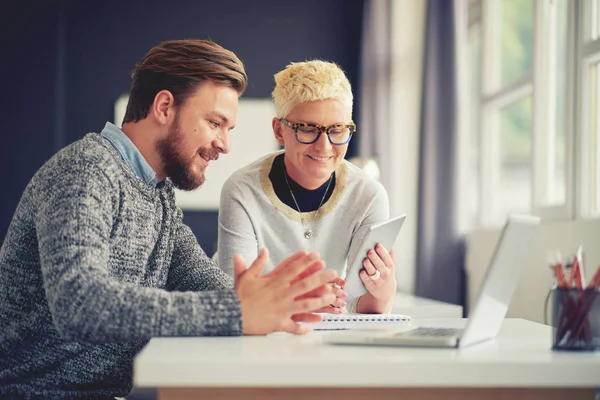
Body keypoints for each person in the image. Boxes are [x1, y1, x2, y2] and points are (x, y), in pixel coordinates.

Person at [0, 40, 338, 399]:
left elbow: (199, 278)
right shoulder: (86, 170)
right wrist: (236, 310)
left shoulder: (157, 195)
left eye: (228, 129)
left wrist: (282, 300)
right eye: (214, 123)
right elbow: (80, 305)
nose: (224, 145)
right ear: (164, 106)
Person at [218, 60, 396, 314]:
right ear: (279, 131)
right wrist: (304, 298)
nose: (324, 146)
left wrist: (384, 292)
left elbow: (364, 308)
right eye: (307, 129)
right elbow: (235, 300)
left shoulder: (369, 195)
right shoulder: (241, 191)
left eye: (337, 129)